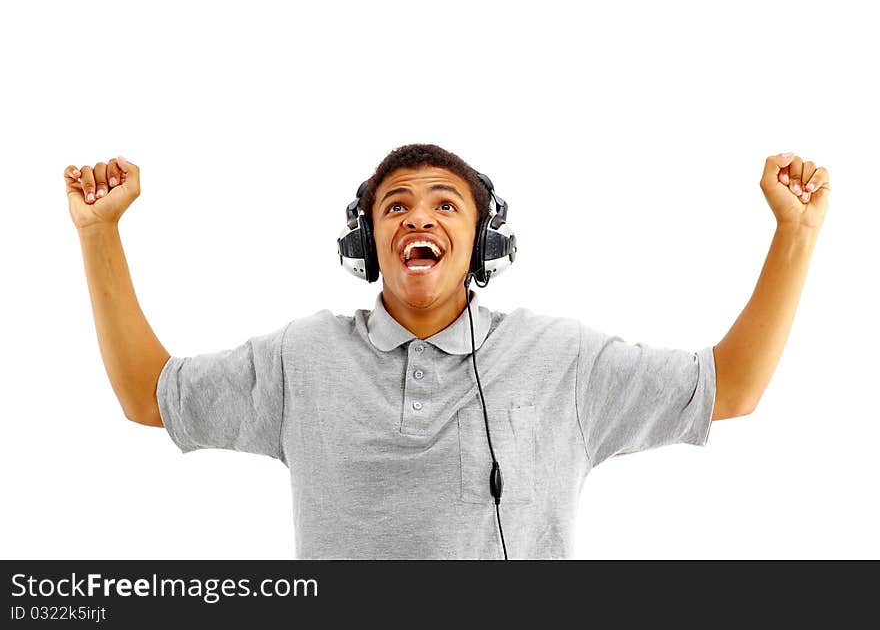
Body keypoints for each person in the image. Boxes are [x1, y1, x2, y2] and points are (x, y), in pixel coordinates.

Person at [65, 144, 830, 559]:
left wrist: (795, 234)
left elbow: (730, 386)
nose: (415, 217)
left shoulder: (562, 356)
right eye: (394, 206)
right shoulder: (303, 357)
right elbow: (147, 392)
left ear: (479, 242)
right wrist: (100, 234)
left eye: (443, 203)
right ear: (369, 242)